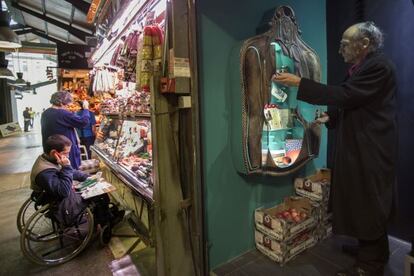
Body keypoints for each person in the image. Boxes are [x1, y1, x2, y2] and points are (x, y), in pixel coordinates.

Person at [273, 22, 397, 276]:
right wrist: (332, 118)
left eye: (345, 44)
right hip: (363, 143)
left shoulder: (379, 67)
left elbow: (347, 95)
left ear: (364, 44)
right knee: (365, 200)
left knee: (370, 201)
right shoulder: (363, 66)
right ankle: (372, 251)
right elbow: (355, 100)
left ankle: (369, 266)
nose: (341, 49)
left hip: (371, 147)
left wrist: (300, 83)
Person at [30, 134, 122, 238]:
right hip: (59, 202)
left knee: (97, 190)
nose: (68, 156)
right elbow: (63, 191)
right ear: (54, 153)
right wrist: (67, 166)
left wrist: (87, 177)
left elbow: (71, 173)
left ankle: (106, 217)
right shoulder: (45, 172)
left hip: (58, 194)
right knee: (101, 197)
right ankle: (103, 225)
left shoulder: (48, 159)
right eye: (66, 153)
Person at [41, 91, 90, 170]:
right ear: (61, 103)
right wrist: (86, 109)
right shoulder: (62, 113)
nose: (67, 108)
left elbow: (66, 125)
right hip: (64, 150)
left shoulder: (45, 113)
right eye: (66, 105)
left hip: (53, 151)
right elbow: (83, 122)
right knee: (70, 172)